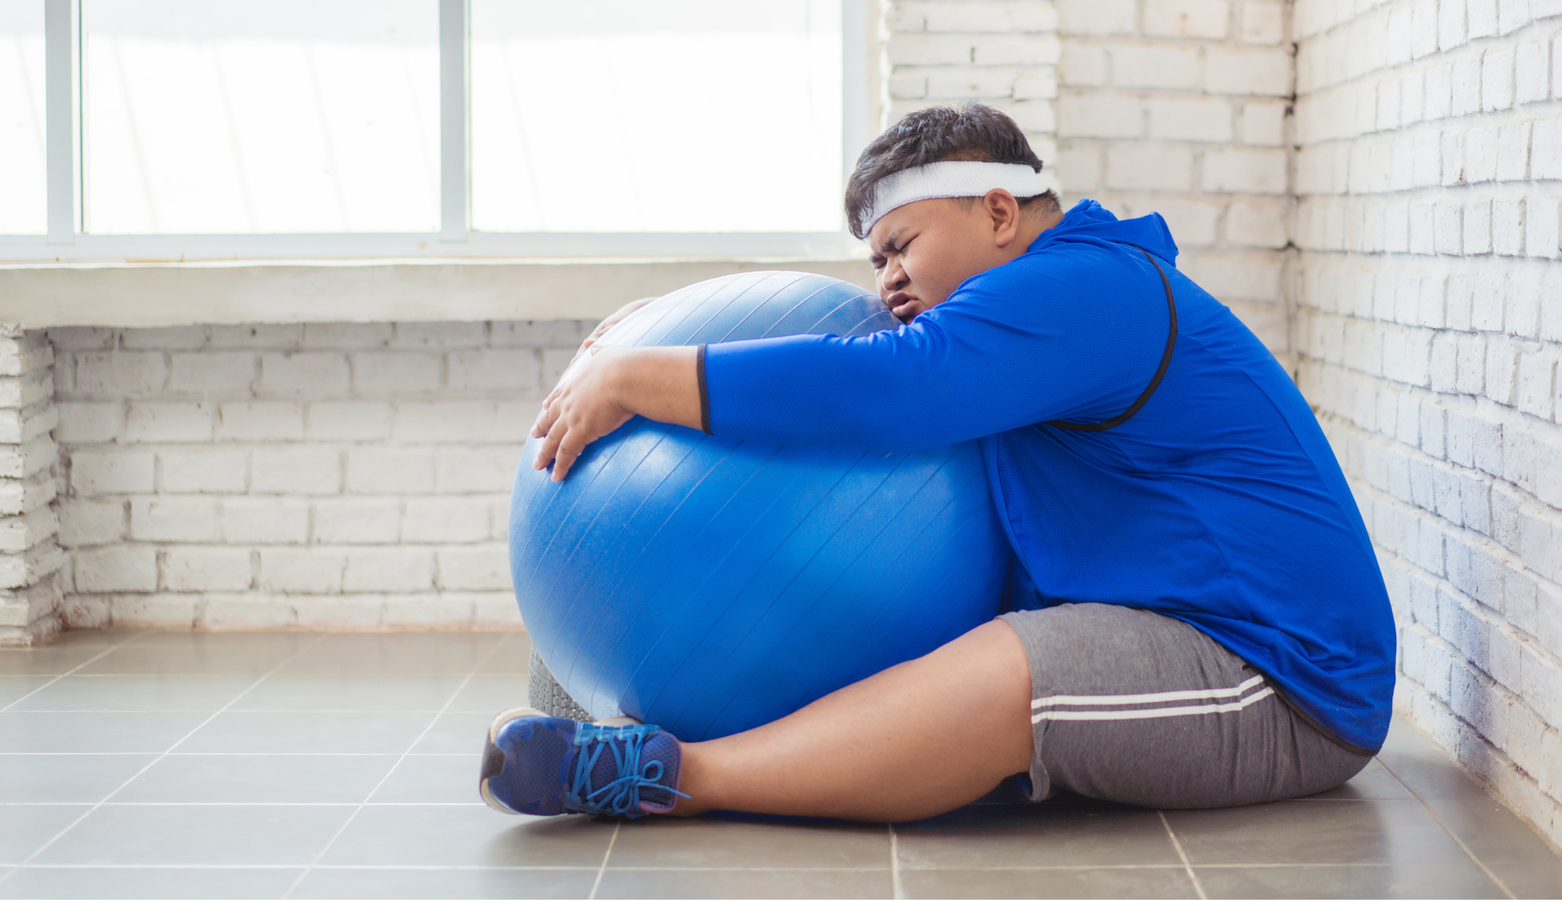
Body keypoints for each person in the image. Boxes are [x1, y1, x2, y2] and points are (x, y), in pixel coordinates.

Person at [477, 103, 1395, 822]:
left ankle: (675, 778)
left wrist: (646, 374)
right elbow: (855, 361)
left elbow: (896, 388)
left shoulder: (1088, 288)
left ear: (999, 212)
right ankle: (618, 708)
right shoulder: (1038, 306)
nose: (885, 281)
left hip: (1283, 681)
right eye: (876, 260)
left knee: (1013, 665)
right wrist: (651, 328)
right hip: (1175, 620)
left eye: (901, 247)